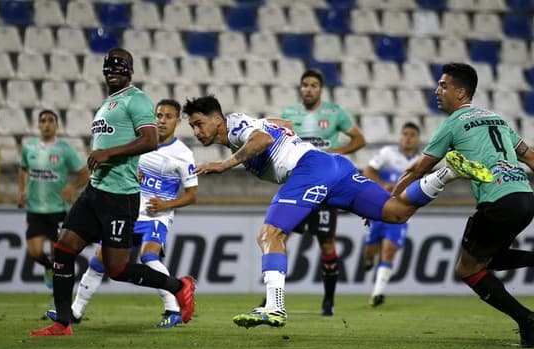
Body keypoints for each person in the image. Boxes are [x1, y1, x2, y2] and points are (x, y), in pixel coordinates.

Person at [183, 95, 491, 328]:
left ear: (217, 119)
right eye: (192, 126)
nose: (196, 131)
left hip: (309, 169)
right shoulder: (249, 124)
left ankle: (274, 307)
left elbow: (263, 139)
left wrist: (224, 164)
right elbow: (283, 126)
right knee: (396, 212)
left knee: (270, 234)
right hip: (333, 165)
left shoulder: (236, 125)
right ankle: (447, 172)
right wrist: (276, 132)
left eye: (199, 123)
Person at [30, 48, 196, 337]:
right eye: (109, 69)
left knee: (117, 269)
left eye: (120, 68)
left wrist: (109, 153)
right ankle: (63, 322)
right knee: (63, 248)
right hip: (96, 192)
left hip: (120, 196)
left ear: (130, 71)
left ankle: (179, 286)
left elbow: (149, 140)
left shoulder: (137, 99)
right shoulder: (107, 104)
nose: (113, 73)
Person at [392, 63, 534, 347]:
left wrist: (390, 200)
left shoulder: (453, 123)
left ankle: (527, 320)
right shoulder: (498, 120)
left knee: (467, 270)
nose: (437, 90)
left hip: (496, 201)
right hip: (525, 197)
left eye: (443, 85)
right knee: (489, 258)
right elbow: (530, 158)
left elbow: (419, 169)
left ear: (461, 92)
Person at [279, 68, 365, 316]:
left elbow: (359, 139)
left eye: (313, 85)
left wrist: (336, 154)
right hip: (296, 186)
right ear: (300, 88)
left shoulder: (334, 113)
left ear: (321, 89)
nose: (308, 89)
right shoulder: (289, 114)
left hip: (324, 189)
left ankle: (328, 303)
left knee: (326, 244)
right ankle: (273, 296)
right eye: (305, 84)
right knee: (279, 237)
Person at [17, 110, 89, 290]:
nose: (47, 124)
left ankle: (57, 299)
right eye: (43, 121)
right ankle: (48, 268)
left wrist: (73, 187)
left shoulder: (65, 149)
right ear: (38, 125)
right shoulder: (29, 148)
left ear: (57, 125)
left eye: (50, 121)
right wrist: (22, 191)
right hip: (35, 209)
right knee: (34, 252)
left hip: (58, 209)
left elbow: (84, 173)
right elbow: (23, 169)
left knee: (59, 255)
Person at [362, 122, 421, 307]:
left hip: (400, 213)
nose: (408, 137)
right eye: (405, 134)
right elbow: (368, 170)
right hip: (379, 209)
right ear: (400, 137)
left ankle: (377, 293)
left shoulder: (421, 161)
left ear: (417, 138)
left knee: (388, 251)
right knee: (371, 251)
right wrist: (382, 186)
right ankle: (369, 258)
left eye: (412, 134)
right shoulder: (388, 153)